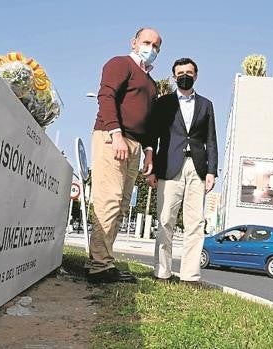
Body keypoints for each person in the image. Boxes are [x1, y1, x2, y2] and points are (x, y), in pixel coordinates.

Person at [86, 27, 162, 283]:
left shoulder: (151, 84)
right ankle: (98, 267)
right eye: (147, 42)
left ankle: (105, 261)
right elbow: (106, 96)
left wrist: (149, 153)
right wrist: (116, 134)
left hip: (136, 146)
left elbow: (151, 123)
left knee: (121, 205)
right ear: (134, 42)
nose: (151, 48)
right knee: (108, 200)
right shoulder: (120, 64)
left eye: (156, 46)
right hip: (112, 138)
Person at [145, 57, 218, 284]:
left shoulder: (206, 105)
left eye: (189, 72)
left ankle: (190, 276)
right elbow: (152, 136)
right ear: (174, 76)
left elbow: (211, 140)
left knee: (195, 223)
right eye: (180, 73)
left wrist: (211, 171)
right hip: (168, 165)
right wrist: (151, 169)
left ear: (196, 75)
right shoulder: (163, 103)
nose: (184, 76)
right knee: (165, 219)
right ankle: (162, 272)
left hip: (197, 167)